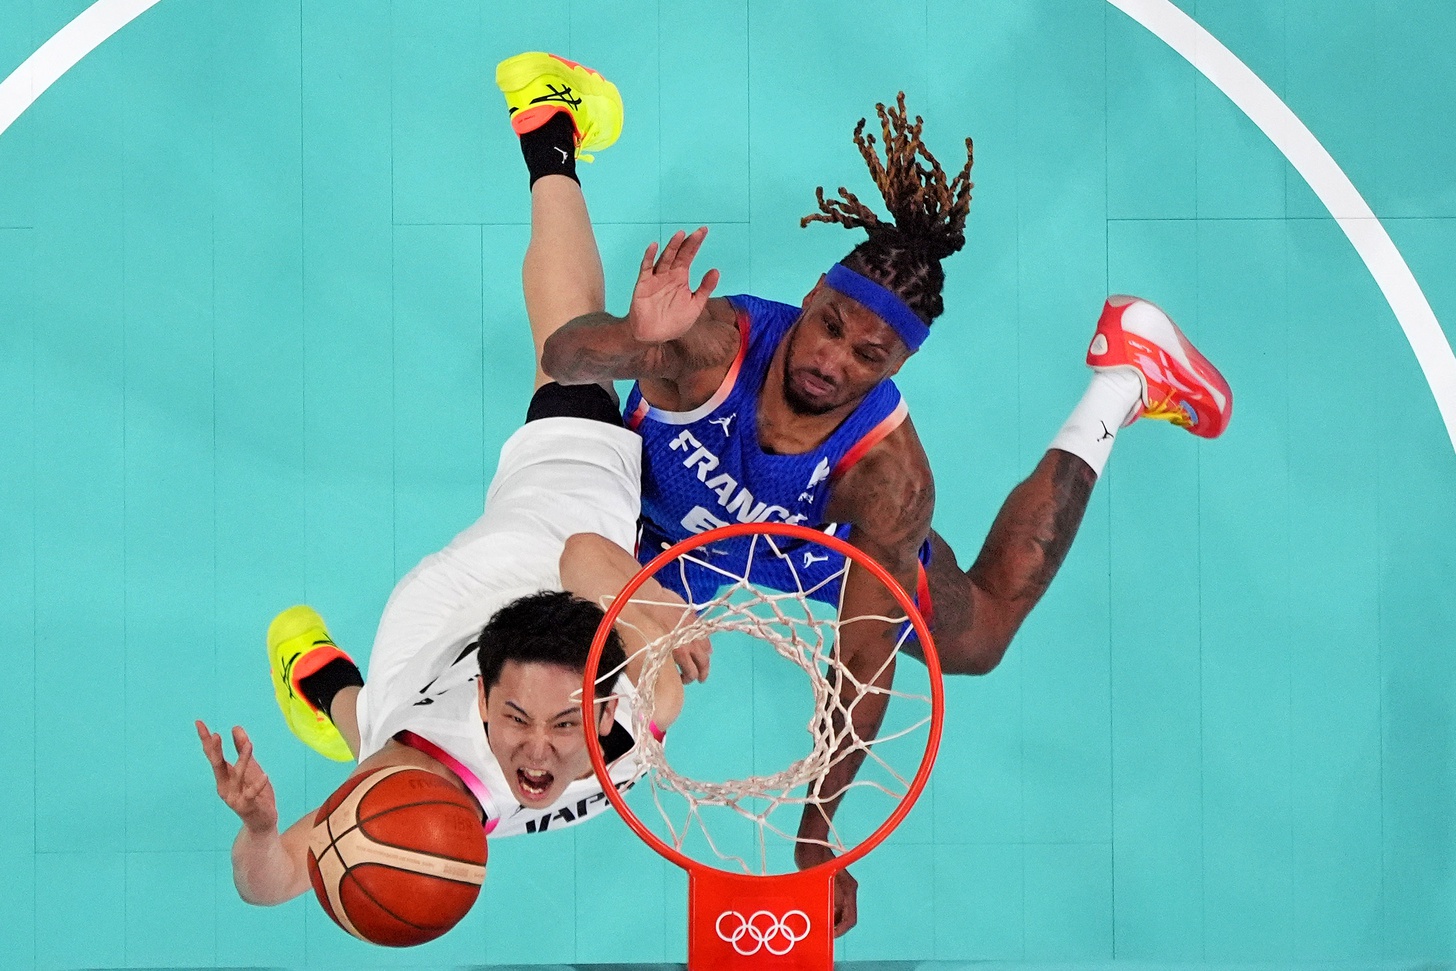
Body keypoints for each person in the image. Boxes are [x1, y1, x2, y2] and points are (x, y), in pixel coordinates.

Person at [494, 52, 1233, 936]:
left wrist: (820, 834)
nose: (829, 359)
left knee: (983, 635)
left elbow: (863, 664)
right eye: (829, 326)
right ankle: (551, 132)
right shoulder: (711, 346)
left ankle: (1122, 377)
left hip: (808, 548)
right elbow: (567, 360)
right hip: (645, 517)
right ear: (808, 299)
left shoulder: (889, 482)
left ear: (900, 366)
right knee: (548, 548)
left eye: (866, 358)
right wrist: (634, 336)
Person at [194, 73, 703, 900]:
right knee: (369, 725)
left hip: (486, 580)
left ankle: (549, 126)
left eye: (565, 721)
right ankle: (316, 674)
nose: (539, 753)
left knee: (574, 351)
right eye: (525, 721)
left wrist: (259, 829)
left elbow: (271, 881)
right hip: (488, 655)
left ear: (600, 713)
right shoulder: (649, 704)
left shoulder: (416, 760)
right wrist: (645, 621)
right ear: (484, 696)